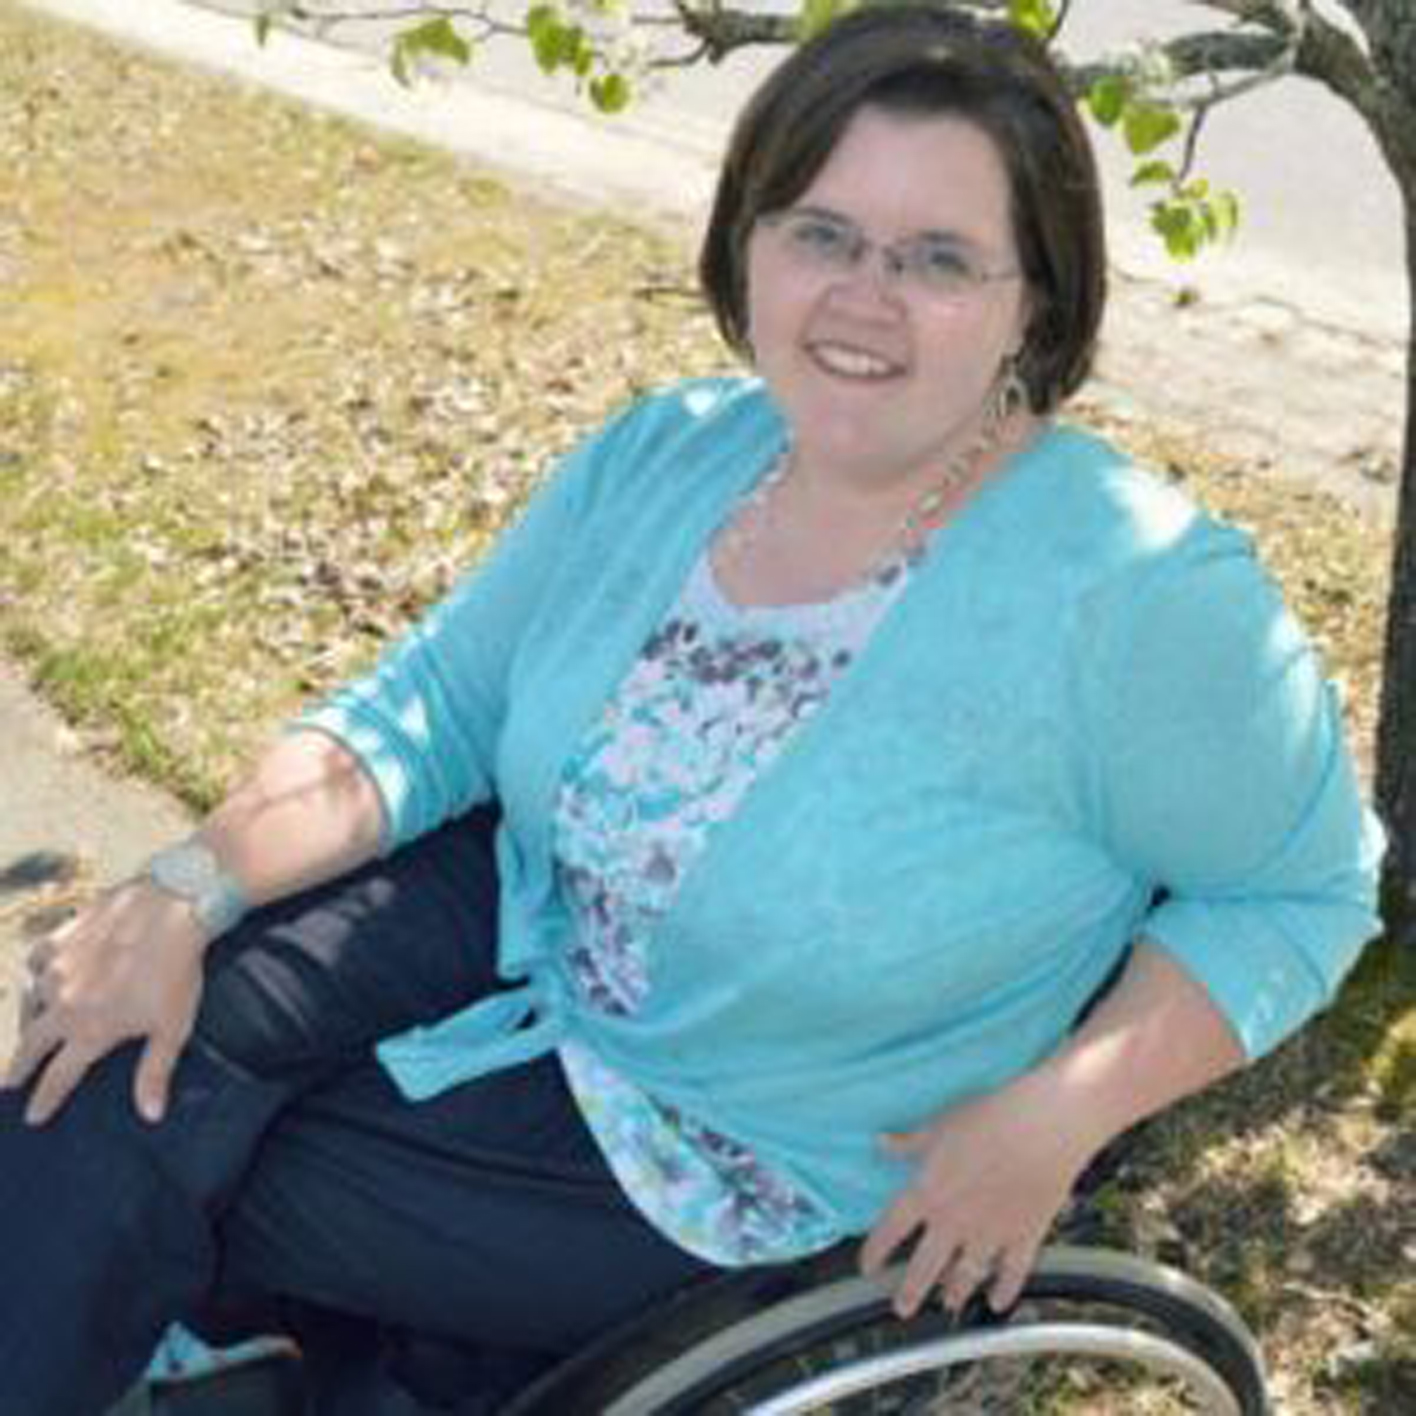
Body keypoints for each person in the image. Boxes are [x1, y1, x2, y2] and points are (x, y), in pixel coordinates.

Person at [0, 4, 1384, 1413]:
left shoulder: (1139, 596)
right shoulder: (674, 453)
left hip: (740, 1142)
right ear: (748, 240)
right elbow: (439, 707)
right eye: (822, 233)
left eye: (940, 259)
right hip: (540, 919)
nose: (862, 296)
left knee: (157, 1167)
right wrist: (180, 888)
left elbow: (1301, 894)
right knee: (110, 1041)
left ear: (1038, 297)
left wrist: (1058, 1112)